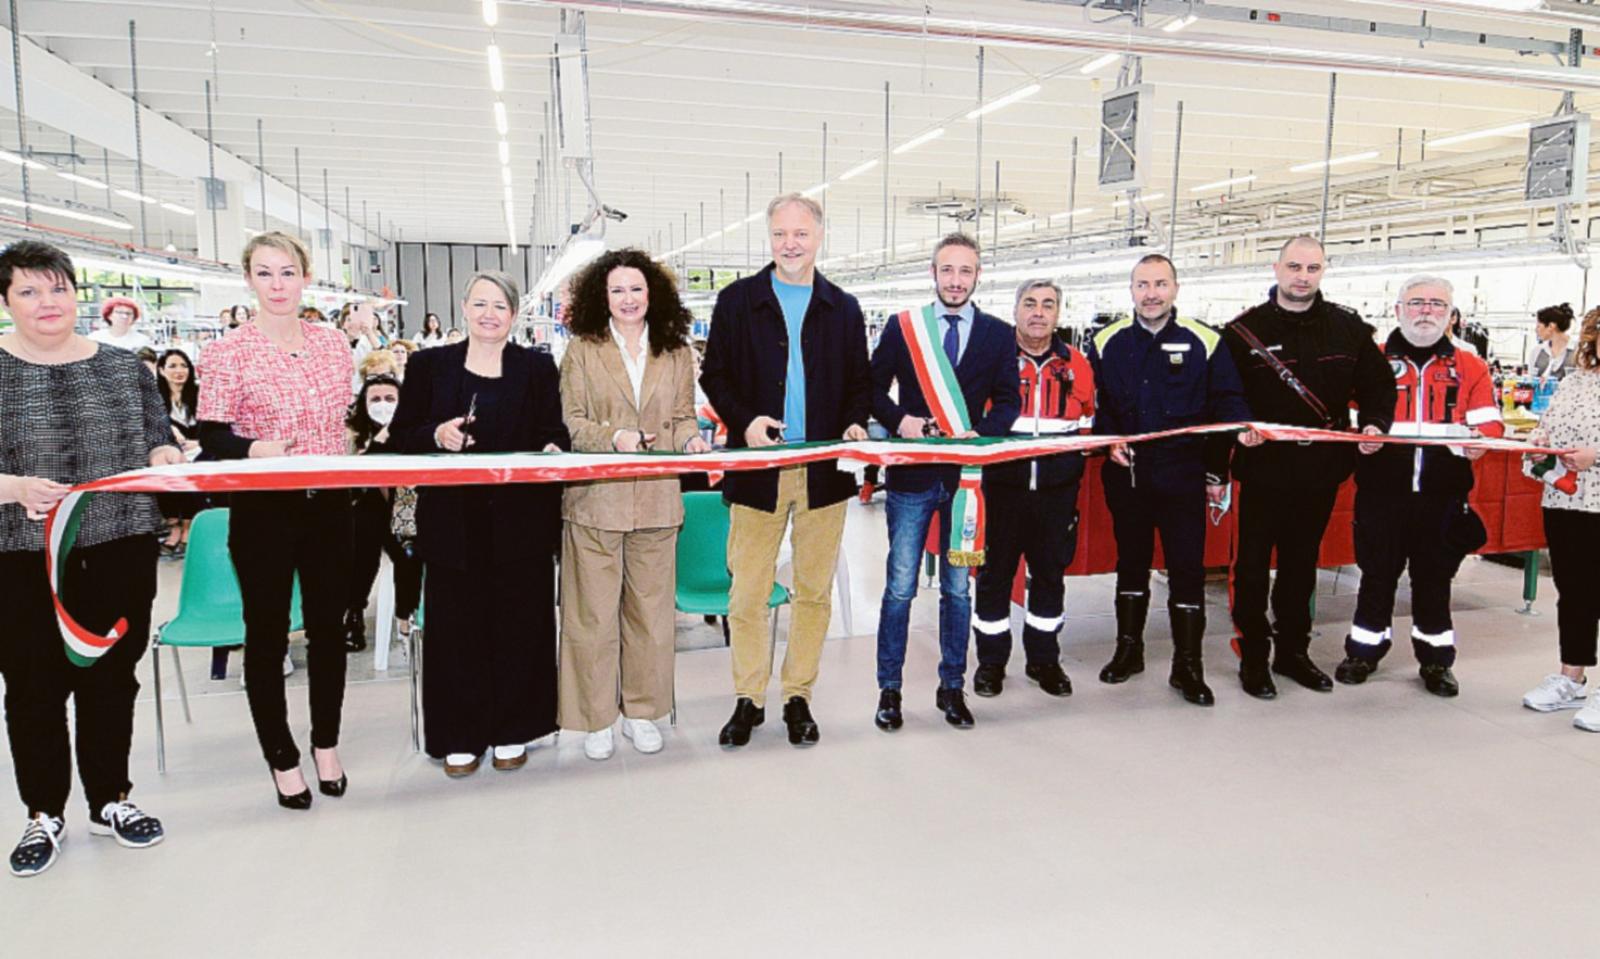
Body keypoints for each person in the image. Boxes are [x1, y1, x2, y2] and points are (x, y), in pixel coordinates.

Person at [0, 240, 178, 877]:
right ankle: (43, 811)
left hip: (120, 545)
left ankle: (111, 799)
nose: (47, 303)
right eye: (28, 291)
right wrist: (14, 488)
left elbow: (158, 439)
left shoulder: (126, 368)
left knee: (110, 680)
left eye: (57, 288)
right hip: (20, 556)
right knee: (32, 686)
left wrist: (164, 459)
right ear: (6, 302)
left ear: (78, 294)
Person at [699, 193, 872, 747]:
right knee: (747, 592)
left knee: (813, 592)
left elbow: (859, 384)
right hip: (757, 467)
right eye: (779, 234)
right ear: (768, 238)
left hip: (823, 470)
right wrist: (745, 420)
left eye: (800, 234)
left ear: (819, 236)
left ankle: (798, 694)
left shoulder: (842, 308)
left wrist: (851, 425)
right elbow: (714, 376)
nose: (789, 244)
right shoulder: (737, 301)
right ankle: (748, 698)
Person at [197, 231, 355, 810]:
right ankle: (282, 755)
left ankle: (326, 743)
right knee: (265, 634)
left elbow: (343, 420)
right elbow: (209, 434)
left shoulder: (335, 344)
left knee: (328, 629)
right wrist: (252, 449)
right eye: (264, 273)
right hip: (264, 507)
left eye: (287, 272)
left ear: (306, 277)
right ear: (248, 281)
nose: (277, 284)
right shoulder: (226, 352)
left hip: (331, 504)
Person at [390, 270, 567, 778]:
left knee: (520, 625)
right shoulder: (429, 366)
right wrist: (437, 433)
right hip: (451, 523)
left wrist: (554, 448)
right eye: (480, 304)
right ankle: (459, 735)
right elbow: (403, 435)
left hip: (520, 522)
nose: (490, 314)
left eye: (501, 306)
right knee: (455, 630)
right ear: (464, 308)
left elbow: (553, 431)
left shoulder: (537, 368)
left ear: (514, 315)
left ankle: (514, 728)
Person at [1216, 236, 1394, 699]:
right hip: (1261, 467)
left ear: (1323, 271)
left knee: (1301, 564)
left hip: (1320, 470)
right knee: (1252, 566)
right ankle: (1253, 654)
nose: (1302, 276)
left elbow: (1378, 387)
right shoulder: (1241, 333)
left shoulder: (1348, 329)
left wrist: (1375, 425)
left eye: (1312, 268)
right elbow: (1223, 395)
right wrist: (1238, 427)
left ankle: (1293, 652)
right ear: (1276, 268)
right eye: (1294, 266)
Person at [559, 249, 710, 760]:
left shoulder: (675, 351)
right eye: (617, 290)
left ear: (654, 295)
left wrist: (691, 441)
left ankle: (644, 711)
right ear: (601, 296)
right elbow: (573, 423)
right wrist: (615, 437)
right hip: (596, 501)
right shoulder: (582, 349)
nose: (628, 299)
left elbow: (685, 416)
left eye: (637, 289)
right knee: (592, 616)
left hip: (657, 500)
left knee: (650, 614)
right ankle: (596, 717)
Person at [868, 233, 1020, 730]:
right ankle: (889, 690)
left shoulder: (998, 334)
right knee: (899, 587)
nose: (956, 280)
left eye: (966, 271)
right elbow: (870, 387)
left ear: (978, 276)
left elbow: (1009, 401)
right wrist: (899, 421)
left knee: (958, 591)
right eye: (947, 270)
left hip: (966, 484)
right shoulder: (903, 328)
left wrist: (985, 435)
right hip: (912, 476)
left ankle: (952, 687)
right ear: (933, 273)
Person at [1088, 253, 1249, 707]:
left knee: (1187, 569)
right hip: (1128, 475)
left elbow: (1227, 405)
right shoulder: (1106, 341)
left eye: (1160, 284)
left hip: (1184, 477)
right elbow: (1098, 408)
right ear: (1131, 290)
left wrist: (1221, 464)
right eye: (1142, 284)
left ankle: (1188, 665)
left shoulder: (1206, 341)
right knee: (1131, 562)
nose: (1151, 293)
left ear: (1175, 288)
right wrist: (1107, 442)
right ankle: (1129, 649)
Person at [1334, 276, 1502, 697]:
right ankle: (1364, 651)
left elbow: (1490, 425)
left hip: (1442, 495)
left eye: (1436, 304)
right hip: (1381, 493)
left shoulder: (1470, 365)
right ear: (1397, 310)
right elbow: (1344, 419)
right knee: (1376, 575)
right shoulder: (1370, 361)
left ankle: (1436, 660)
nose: (1425, 311)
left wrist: (1477, 443)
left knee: (1434, 580)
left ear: (1451, 314)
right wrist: (1363, 437)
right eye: (1416, 303)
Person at [970, 279, 1095, 699]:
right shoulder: (993, 360)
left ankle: (1044, 660)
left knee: (1049, 578)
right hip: (1002, 490)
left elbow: (1088, 423)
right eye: (1029, 303)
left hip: (1057, 495)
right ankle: (990, 663)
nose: (1038, 312)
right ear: (1015, 310)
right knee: (993, 578)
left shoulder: (1078, 363)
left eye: (1047, 305)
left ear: (1058, 313)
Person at [1520, 307, 1600, 727]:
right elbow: (1545, 425)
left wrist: (1597, 456)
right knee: (1574, 593)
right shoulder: (1575, 382)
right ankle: (1573, 677)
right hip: (1566, 503)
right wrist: (1537, 446)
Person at [343, 374, 421, 656]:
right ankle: (353, 612)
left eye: (390, 399)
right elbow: (357, 477)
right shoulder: (351, 435)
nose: (382, 404)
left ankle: (405, 617)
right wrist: (380, 438)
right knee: (362, 542)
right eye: (375, 399)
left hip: (406, 509)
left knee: (408, 552)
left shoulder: (414, 431)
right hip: (366, 508)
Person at [155, 348, 201, 558]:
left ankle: (189, 528)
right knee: (167, 469)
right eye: (172, 366)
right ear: (162, 370)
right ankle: (174, 525)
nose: (179, 370)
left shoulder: (201, 395)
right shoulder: (154, 399)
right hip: (169, 453)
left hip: (200, 451)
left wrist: (198, 443)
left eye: (183, 365)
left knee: (195, 470)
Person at [1533, 303, 1576, 382]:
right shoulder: (1537, 351)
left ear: (1551, 326)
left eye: (1538, 326)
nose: (1536, 330)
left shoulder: (1578, 351)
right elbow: (1529, 382)